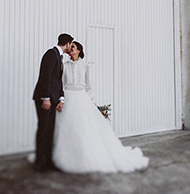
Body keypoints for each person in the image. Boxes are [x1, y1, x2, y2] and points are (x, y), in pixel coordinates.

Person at [52, 41, 149, 173]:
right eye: (70, 47)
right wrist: (60, 99)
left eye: (73, 47)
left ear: (79, 50)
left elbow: (88, 86)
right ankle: (63, 157)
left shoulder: (85, 66)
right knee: (66, 126)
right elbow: (61, 83)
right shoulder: (64, 65)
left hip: (81, 98)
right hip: (67, 97)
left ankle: (84, 156)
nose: (70, 49)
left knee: (84, 127)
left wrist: (91, 102)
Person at [31, 33, 73, 172]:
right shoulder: (51, 54)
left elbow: (58, 81)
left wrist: (60, 98)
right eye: (70, 45)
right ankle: (40, 163)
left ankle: (48, 161)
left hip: (53, 99)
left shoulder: (59, 57)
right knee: (44, 129)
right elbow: (45, 76)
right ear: (67, 44)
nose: (70, 47)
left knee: (50, 131)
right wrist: (46, 98)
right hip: (45, 99)